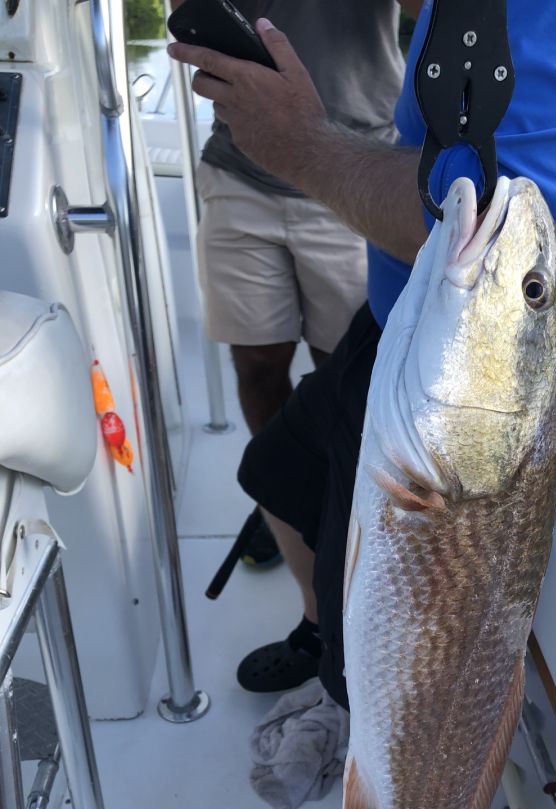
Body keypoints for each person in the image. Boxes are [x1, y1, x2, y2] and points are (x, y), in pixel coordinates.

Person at [169, 0, 556, 809]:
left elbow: (519, 229)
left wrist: (304, 146)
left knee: (410, 649)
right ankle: (329, 646)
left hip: (492, 416)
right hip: (419, 342)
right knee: (278, 474)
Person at [170, 0, 404, 573]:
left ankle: (336, 509)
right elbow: (185, 13)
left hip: (354, 166)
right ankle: (278, 504)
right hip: (240, 162)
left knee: (344, 375)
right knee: (256, 362)